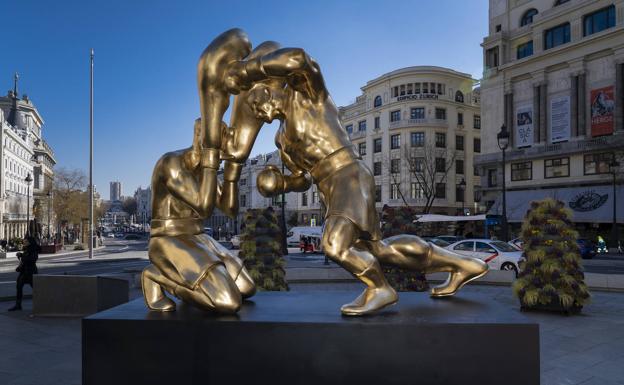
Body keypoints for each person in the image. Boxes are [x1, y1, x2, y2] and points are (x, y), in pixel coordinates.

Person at [227, 43, 487, 315]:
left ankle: (380, 289)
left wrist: (246, 70)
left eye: (259, 106)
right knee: (380, 250)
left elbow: (300, 58)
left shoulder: (306, 96)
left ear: (268, 90)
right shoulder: (281, 140)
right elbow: (302, 180)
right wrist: (281, 183)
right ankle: (463, 265)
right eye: (257, 113)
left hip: (348, 174)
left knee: (333, 245)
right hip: (331, 189)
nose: (263, 115)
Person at [8, 236, 40, 311]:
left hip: (31, 272)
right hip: (24, 271)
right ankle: (18, 305)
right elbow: (26, 257)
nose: (24, 243)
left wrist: (23, 257)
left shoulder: (34, 250)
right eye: (24, 241)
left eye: (26, 242)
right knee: (19, 286)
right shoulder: (27, 249)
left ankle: (42, 303)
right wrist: (21, 255)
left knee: (36, 288)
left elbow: (33, 259)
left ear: (30, 242)